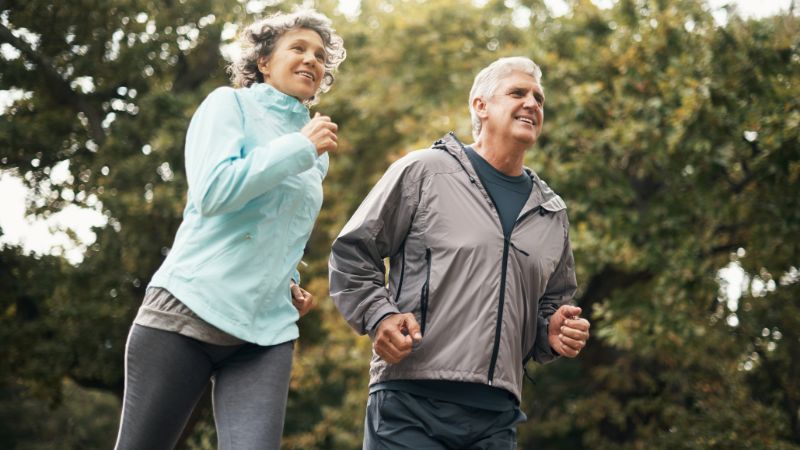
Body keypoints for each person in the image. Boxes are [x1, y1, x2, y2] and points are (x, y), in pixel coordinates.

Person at [329, 56, 590, 449]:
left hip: (497, 419)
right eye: (518, 92)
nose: (533, 104)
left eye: (539, 98)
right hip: (409, 404)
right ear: (480, 106)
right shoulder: (424, 172)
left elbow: (551, 305)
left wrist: (552, 331)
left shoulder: (551, 211)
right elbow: (352, 252)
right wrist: (379, 315)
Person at [114, 9, 345, 450]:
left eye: (320, 55)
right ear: (263, 62)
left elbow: (278, 225)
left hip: (265, 332)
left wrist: (288, 281)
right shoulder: (229, 105)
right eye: (298, 48)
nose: (312, 60)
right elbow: (214, 192)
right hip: (186, 312)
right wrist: (299, 148)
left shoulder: (317, 149)